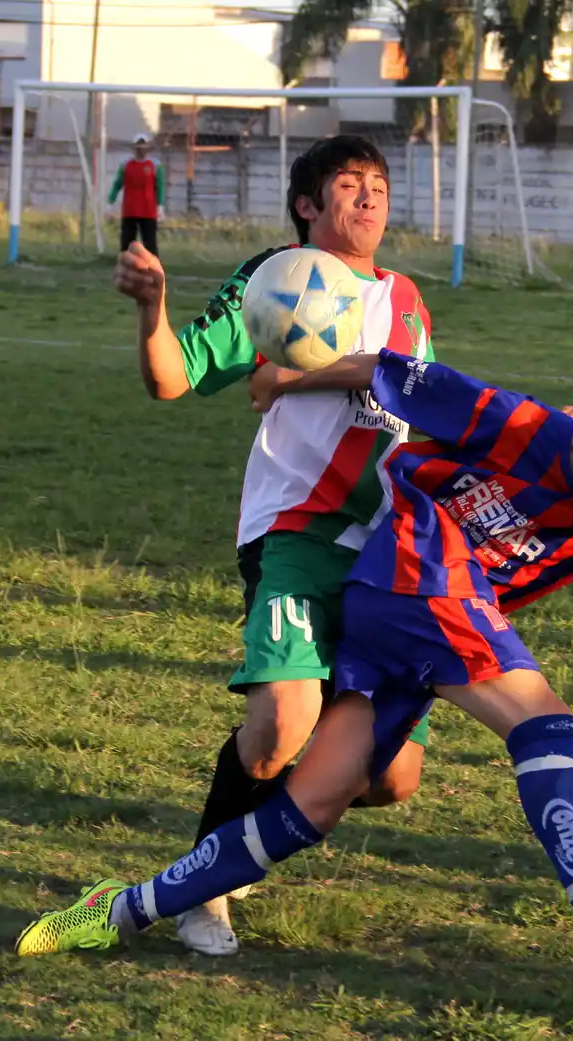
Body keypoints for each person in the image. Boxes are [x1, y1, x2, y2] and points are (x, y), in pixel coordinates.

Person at [14, 351, 573, 987]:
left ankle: (115, 909)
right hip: (419, 580)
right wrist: (283, 381)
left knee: (310, 806)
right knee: (542, 723)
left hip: (410, 615)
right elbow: (381, 367)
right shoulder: (522, 426)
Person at [108, 135, 439, 956]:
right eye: (348, 185)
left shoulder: (408, 300)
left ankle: (250, 837)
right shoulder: (278, 281)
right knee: (277, 730)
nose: (368, 198)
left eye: (378, 185)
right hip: (295, 532)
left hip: (385, 553)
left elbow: (413, 399)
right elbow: (172, 376)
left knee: (392, 778)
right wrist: (153, 310)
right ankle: (203, 890)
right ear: (306, 204)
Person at [108, 132, 165, 256]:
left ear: (148, 147)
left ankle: (152, 268)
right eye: (138, 146)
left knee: (150, 243)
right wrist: (110, 202)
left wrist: (160, 206)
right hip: (130, 210)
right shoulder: (126, 165)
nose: (141, 149)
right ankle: (126, 267)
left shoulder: (155, 165)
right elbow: (118, 184)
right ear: (134, 147)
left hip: (148, 211)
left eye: (144, 145)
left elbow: (160, 187)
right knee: (127, 243)